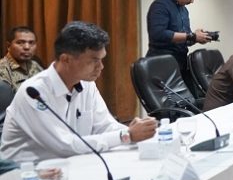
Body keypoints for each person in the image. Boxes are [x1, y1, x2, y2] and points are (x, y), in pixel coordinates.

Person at [0, 22, 157, 161]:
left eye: (102, 60)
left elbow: (105, 126)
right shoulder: (34, 92)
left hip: (70, 164)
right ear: (66, 59)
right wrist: (126, 136)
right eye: (94, 60)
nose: (101, 67)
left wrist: (134, 132)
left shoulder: (86, 84)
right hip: (25, 177)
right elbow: (64, 146)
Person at [146, 0, 213, 95]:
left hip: (180, 64)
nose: (192, 1)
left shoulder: (183, 10)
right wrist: (191, 36)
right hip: (162, 66)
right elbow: (158, 34)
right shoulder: (160, 5)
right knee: (169, 109)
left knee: (192, 103)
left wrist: (197, 37)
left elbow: (185, 38)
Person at [0, 26, 44, 91]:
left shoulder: (35, 65)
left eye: (31, 43)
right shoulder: (2, 69)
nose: (27, 47)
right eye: (20, 43)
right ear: (8, 46)